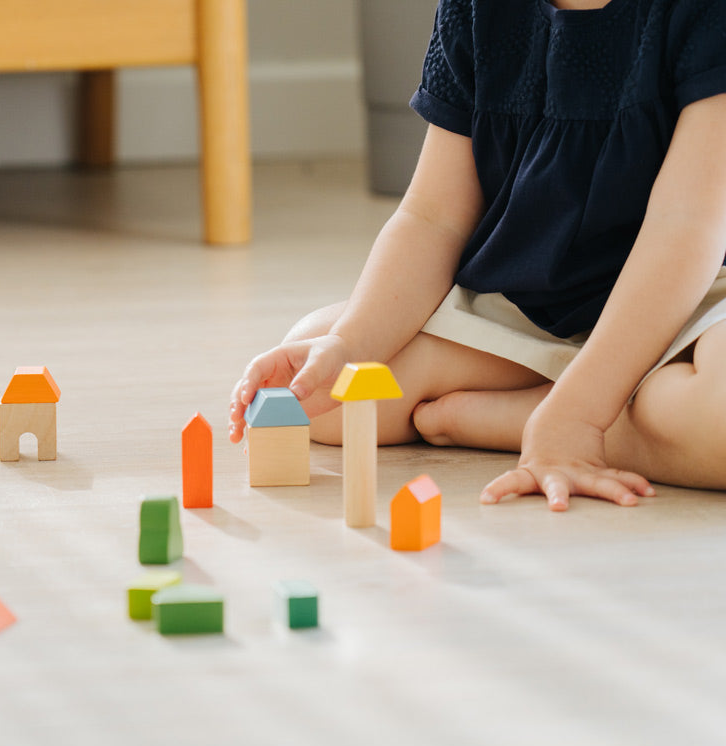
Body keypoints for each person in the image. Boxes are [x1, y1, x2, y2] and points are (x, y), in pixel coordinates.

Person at [228, 0, 726, 511]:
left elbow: (684, 228)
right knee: (320, 391)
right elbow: (432, 217)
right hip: (528, 307)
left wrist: (576, 418)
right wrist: (348, 343)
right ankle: (588, 404)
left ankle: (549, 418)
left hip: (690, 300)